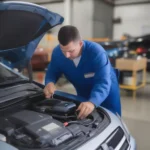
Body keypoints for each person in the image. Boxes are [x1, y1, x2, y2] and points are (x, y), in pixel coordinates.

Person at [44, 25, 121, 119]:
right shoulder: (57, 52)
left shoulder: (97, 53)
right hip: (82, 91)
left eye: (71, 51)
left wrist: (92, 102)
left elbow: (103, 82)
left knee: (111, 119)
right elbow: (52, 71)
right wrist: (49, 82)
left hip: (106, 92)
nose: (67, 55)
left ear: (80, 44)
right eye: (63, 50)